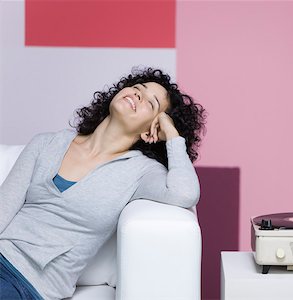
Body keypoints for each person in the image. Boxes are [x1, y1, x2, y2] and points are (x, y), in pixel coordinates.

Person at [0, 67, 207, 299]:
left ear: (153, 128)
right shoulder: (46, 143)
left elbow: (185, 193)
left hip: (27, 283)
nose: (139, 95)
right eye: (138, 88)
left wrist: (172, 135)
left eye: (152, 103)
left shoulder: (140, 172)